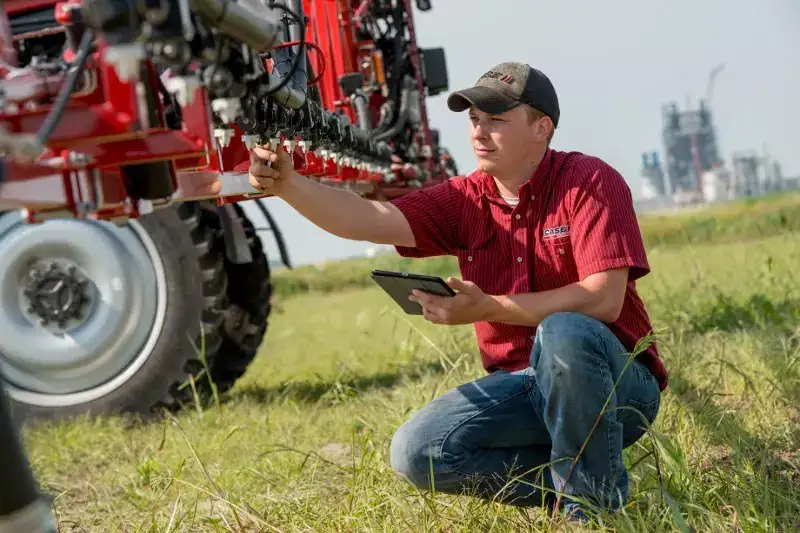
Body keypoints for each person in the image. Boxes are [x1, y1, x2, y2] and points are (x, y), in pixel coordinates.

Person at [248, 61, 668, 521]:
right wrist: (288, 185)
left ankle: (594, 512)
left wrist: (489, 307)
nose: (479, 133)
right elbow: (365, 219)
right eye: (473, 121)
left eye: (496, 121)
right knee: (417, 451)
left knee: (565, 331)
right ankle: (583, 477)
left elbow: (602, 299)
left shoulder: (589, 182)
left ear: (541, 128)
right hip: (524, 386)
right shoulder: (464, 199)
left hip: (617, 385)